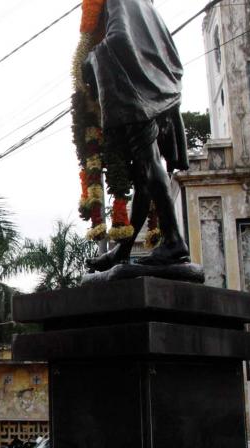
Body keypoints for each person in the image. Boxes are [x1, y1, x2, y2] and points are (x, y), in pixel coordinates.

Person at [83, 0, 191, 271]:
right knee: (145, 175)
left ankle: (174, 240)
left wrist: (92, 59)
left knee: (148, 166)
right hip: (160, 90)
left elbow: (119, 38)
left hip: (136, 91)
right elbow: (171, 53)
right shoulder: (147, 6)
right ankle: (126, 249)